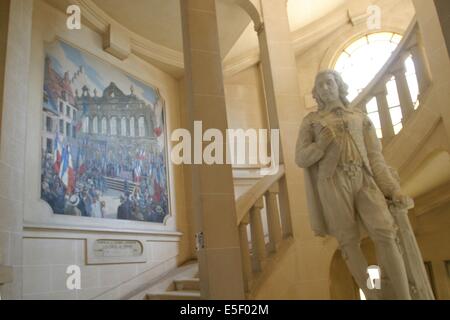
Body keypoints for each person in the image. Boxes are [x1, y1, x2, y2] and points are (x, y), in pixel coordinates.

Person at [295, 70, 411, 300]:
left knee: (385, 233)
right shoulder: (312, 121)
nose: (325, 88)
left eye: (329, 83)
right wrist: (320, 146)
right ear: (316, 94)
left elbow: (376, 157)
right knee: (349, 242)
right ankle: (373, 294)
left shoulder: (359, 116)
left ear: (339, 85)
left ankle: (404, 296)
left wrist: (392, 189)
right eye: (320, 87)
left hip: (364, 178)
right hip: (332, 182)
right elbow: (300, 158)